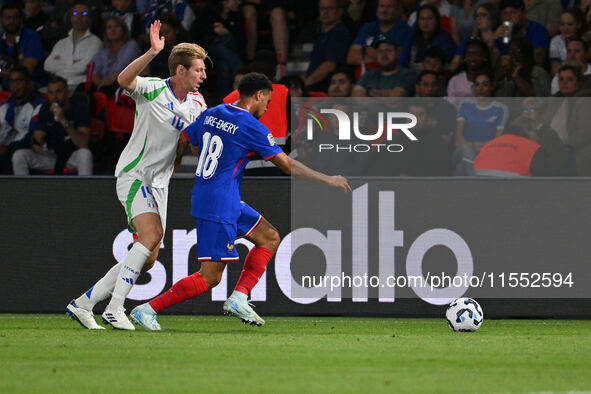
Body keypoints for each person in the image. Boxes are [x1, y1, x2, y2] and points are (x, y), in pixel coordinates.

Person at [129, 72, 351, 331]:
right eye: (267, 102)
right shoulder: (252, 127)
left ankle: (239, 297)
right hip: (218, 204)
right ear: (258, 95)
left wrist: (189, 162)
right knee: (210, 277)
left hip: (222, 198)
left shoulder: (213, 112)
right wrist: (329, 180)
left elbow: (187, 137)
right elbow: (287, 165)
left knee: (269, 237)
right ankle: (147, 309)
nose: (267, 107)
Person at [65, 21, 208, 330]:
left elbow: (192, 139)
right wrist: (153, 51)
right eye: (198, 70)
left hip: (160, 184)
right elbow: (124, 78)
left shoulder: (198, 103)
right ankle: (116, 308)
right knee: (152, 235)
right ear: (180, 71)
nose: (204, 75)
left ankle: (84, 303)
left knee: (148, 259)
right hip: (135, 175)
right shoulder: (154, 88)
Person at [12, 76, 93, 175]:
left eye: (58, 92)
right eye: (50, 93)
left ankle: (86, 190)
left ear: (68, 93)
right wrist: (35, 143)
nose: (54, 97)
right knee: (19, 155)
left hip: (72, 156)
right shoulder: (45, 109)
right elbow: (37, 139)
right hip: (52, 156)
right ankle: (23, 190)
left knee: (85, 154)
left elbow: (83, 144)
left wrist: (63, 120)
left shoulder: (79, 107)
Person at [453, 70, 509, 175]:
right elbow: (458, 138)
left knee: (461, 167)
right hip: (463, 150)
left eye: (485, 85)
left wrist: (475, 145)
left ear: (492, 87)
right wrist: (471, 147)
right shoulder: (465, 105)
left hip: (488, 153)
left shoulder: (501, 108)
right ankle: (477, 180)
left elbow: (497, 141)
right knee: (465, 151)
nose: (480, 89)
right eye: (477, 84)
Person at [43, 1, 103, 92]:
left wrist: (60, 63)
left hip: (78, 87)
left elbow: (82, 68)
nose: (79, 17)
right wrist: (72, 62)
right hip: (56, 87)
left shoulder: (96, 42)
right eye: (75, 13)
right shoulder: (62, 42)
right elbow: (47, 65)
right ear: (70, 17)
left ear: (90, 19)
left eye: (84, 14)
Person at [473, 117, 555, 177]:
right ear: (528, 131)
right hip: (515, 195)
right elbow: (546, 183)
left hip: (481, 192)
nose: (538, 137)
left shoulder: (489, 145)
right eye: (537, 132)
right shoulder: (533, 149)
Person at [0, 66, 45, 174]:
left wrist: (7, 149)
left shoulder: (39, 105)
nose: (15, 86)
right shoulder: (3, 107)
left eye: (19, 81)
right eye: (12, 81)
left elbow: (32, 136)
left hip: (26, 150)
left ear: (28, 83)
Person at [305, 0, 352, 92]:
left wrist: (305, 84)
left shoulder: (339, 33)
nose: (325, 12)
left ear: (340, 11)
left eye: (330, 8)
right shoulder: (322, 36)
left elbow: (329, 66)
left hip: (325, 90)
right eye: (322, 8)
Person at [346, 0, 410, 67]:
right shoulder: (368, 27)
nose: (384, 10)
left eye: (390, 7)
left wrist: (367, 49)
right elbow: (351, 58)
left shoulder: (404, 29)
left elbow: (394, 60)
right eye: (381, 6)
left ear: (397, 10)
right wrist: (380, 60)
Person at [90, 15, 141, 95]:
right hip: (104, 85)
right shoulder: (103, 52)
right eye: (109, 27)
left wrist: (108, 81)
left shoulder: (131, 45)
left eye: (116, 26)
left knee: (105, 90)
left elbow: (123, 67)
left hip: (123, 84)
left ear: (123, 30)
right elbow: (94, 71)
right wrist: (99, 83)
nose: (113, 30)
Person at [351, 34, 416, 96]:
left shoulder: (407, 74)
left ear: (397, 53)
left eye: (388, 50)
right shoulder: (369, 74)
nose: (384, 55)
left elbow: (396, 97)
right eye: (380, 51)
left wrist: (368, 91)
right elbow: (356, 94)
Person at [398, 4, 457, 70]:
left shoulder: (445, 42)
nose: (425, 22)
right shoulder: (414, 38)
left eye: (429, 18)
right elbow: (402, 63)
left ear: (437, 21)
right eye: (422, 19)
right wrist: (411, 34)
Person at [0, 4, 44, 88]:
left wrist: (4, 72)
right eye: (7, 17)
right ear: (1, 19)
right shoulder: (1, 39)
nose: (11, 21)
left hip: (31, 82)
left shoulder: (32, 37)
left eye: (15, 17)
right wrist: (1, 71)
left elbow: (26, 71)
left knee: (11, 82)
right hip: (6, 80)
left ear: (21, 19)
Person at [495, 0, 549, 67]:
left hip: (531, 73)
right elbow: (493, 64)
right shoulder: (501, 33)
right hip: (509, 72)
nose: (508, 18)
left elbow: (538, 60)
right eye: (505, 13)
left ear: (524, 13)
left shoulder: (537, 30)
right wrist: (492, 40)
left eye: (513, 12)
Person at [550, 8, 587, 75]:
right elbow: (555, 70)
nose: (565, 28)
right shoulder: (556, 41)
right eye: (562, 24)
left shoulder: (587, 40)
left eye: (570, 24)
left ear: (579, 25)